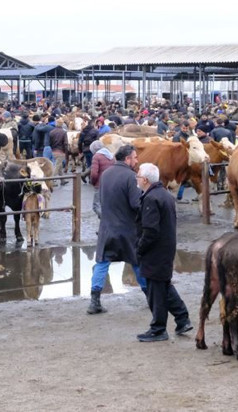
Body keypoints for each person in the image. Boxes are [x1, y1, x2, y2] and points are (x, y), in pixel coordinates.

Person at [134, 163, 192, 342]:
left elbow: (150, 230)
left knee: (155, 290)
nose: (136, 178)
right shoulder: (164, 194)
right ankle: (182, 318)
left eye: (138, 176)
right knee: (164, 285)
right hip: (165, 248)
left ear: (145, 180)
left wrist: (140, 248)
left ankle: (158, 329)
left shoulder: (151, 198)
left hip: (156, 251)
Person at [87, 144, 147, 315]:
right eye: (135, 157)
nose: (137, 160)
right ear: (127, 159)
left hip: (107, 227)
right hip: (127, 228)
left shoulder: (106, 174)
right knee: (137, 262)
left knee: (102, 263)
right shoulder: (131, 177)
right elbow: (136, 204)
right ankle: (151, 296)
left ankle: (94, 301)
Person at [89, 140, 115, 218]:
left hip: (100, 184)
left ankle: (106, 221)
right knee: (107, 205)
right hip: (111, 184)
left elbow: (94, 173)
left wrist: (93, 182)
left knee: (96, 206)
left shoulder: (96, 156)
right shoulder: (111, 155)